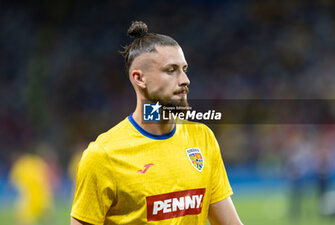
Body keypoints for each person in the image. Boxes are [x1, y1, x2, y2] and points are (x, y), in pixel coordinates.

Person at [71, 21, 243, 225]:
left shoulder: (203, 138)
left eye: (184, 69)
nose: (185, 80)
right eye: (171, 70)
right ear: (139, 78)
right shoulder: (103, 156)